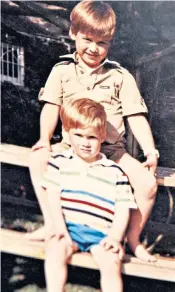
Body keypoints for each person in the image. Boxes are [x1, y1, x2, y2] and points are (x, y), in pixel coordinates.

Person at [28, 0, 158, 262]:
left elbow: (136, 116)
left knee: (148, 185)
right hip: (71, 147)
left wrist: (150, 151)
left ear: (110, 43)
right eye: (87, 39)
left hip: (111, 151)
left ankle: (131, 240)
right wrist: (44, 139)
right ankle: (53, 224)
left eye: (102, 43)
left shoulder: (120, 76)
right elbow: (51, 107)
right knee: (37, 158)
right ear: (73, 33)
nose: (94, 48)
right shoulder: (62, 71)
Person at [42, 98, 137, 292]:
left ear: (102, 136)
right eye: (79, 135)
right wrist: (59, 228)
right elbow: (52, 196)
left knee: (111, 264)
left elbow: (122, 208)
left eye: (92, 137)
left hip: (101, 234)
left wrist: (115, 237)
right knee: (54, 254)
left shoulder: (115, 172)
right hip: (69, 229)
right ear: (68, 134)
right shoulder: (59, 162)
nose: (85, 143)